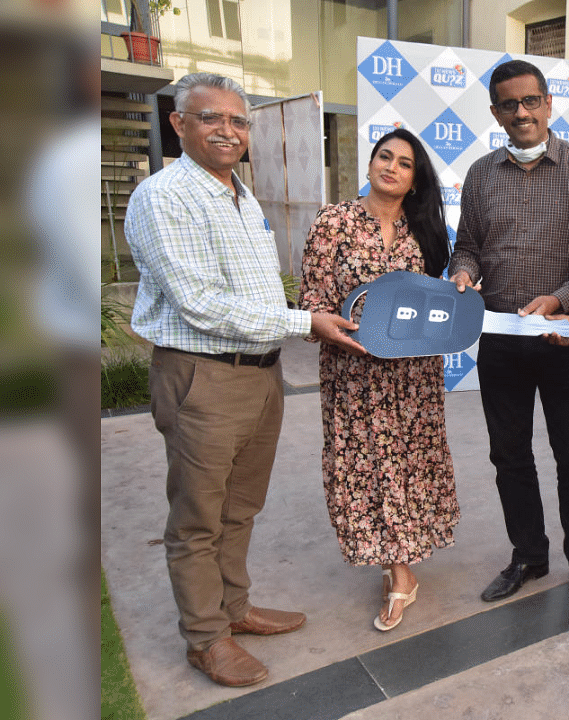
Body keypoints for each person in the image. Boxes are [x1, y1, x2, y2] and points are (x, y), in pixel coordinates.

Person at [125, 72, 365, 687]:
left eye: (238, 120)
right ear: (179, 125)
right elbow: (198, 303)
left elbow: (251, 293)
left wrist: (298, 321)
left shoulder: (241, 194)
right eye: (211, 118)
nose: (227, 130)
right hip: (203, 375)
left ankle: (233, 609)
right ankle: (205, 640)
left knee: (240, 506)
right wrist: (302, 320)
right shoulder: (165, 196)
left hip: (260, 375)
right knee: (199, 516)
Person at [449, 59, 569, 611]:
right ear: (496, 111)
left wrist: (561, 303)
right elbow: (468, 245)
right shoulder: (480, 175)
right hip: (501, 341)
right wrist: (463, 271)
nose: (521, 112)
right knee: (510, 456)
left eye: (530, 101)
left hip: (565, 340)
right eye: (508, 104)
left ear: (548, 103)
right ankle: (528, 554)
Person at [299, 127, 460, 632]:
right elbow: (314, 301)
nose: (391, 167)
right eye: (384, 157)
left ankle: (401, 570)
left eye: (405, 163)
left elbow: (436, 302)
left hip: (413, 377)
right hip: (354, 374)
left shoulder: (427, 232)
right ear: (369, 165)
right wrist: (331, 330)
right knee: (368, 467)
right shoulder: (335, 221)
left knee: (410, 463)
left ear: (415, 180)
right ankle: (399, 573)